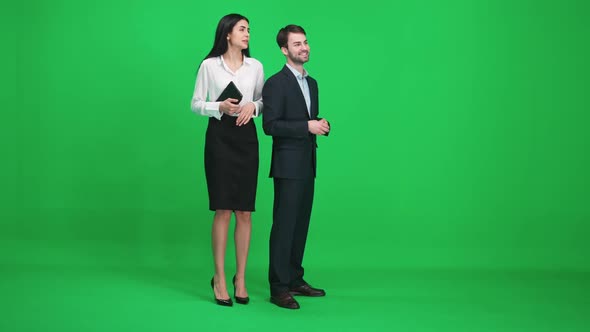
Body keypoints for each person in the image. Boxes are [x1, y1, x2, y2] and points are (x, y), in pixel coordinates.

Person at [190, 13, 264, 307]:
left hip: (247, 138)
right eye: (242, 29)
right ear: (228, 34)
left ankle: (241, 277)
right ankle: (219, 277)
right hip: (219, 138)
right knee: (222, 208)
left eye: (249, 29)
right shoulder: (209, 66)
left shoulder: (256, 66)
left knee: (245, 211)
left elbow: (262, 100)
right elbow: (195, 104)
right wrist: (217, 105)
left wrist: (253, 108)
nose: (247, 34)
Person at [262, 24, 330, 309]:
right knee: (284, 225)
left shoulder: (312, 83)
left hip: (307, 162)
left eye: (305, 42)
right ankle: (278, 287)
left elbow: (307, 121)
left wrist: (320, 126)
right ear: (284, 50)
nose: (304, 47)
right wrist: (307, 126)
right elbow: (270, 126)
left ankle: (294, 278)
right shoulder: (275, 83)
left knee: (301, 224)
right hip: (287, 165)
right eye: (297, 44)